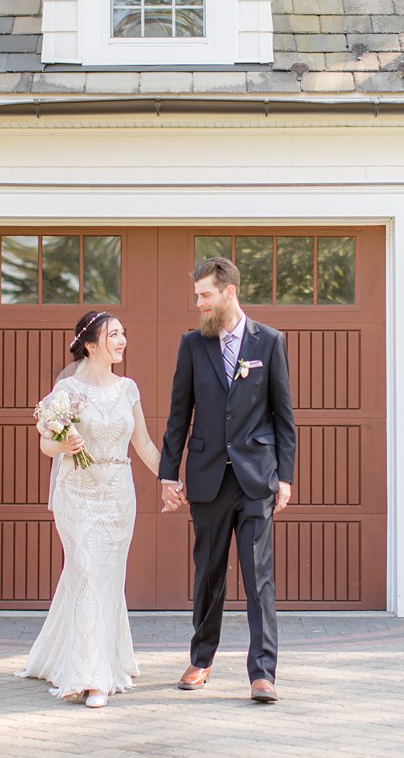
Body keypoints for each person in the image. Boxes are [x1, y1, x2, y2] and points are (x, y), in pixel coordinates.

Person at [160, 256, 297, 703]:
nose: (198, 303)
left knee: (259, 579)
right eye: (197, 295)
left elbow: (283, 417)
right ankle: (201, 659)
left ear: (229, 293)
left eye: (205, 295)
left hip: (257, 478)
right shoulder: (192, 345)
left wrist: (286, 477)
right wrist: (167, 474)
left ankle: (263, 673)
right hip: (207, 479)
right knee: (208, 575)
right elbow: (179, 415)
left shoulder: (270, 341)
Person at [18, 310, 169, 709]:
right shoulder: (67, 390)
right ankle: (90, 677)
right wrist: (63, 445)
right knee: (85, 568)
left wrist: (170, 479)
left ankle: (102, 656)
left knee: (104, 577)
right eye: (112, 335)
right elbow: (47, 444)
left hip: (118, 494)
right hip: (77, 494)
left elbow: (144, 445)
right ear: (90, 343)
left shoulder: (128, 389)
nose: (121, 341)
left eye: (123, 333)